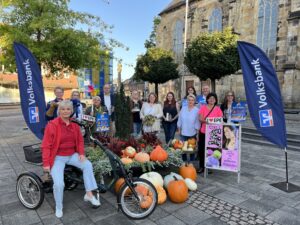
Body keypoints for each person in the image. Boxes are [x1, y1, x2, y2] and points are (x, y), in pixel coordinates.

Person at [41, 100, 100, 218]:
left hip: (72, 155)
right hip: (57, 157)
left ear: (71, 111)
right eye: (62, 109)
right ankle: (58, 206)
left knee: (87, 165)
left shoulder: (74, 125)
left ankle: (89, 194)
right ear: (59, 111)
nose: (65, 111)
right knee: (59, 184)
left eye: (68, 109)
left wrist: (81, 153)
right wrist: (46, 163)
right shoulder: (52, 125)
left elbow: (80, 141)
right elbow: (46, 145)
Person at [198, 93, 223, 173]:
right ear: (207, 99)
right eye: (210, 98)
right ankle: (202, 166)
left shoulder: (218, 109)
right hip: (203, 132)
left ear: (215, 100)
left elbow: (220, 120)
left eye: (213, 98)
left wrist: (210, 122)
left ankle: (209, 166)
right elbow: (200, 118)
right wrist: (211, 121)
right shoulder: (203, 108)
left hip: (213, 133)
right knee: (201, 150)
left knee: (210, 151)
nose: (212, 100)